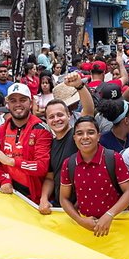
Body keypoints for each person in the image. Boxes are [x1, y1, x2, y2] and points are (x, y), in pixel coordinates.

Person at [59, 116, 129, 237]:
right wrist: (80, 221)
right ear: (74, 138)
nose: (85, 137)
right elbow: (63, 198)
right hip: (86, 229)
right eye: (79, 133)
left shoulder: (113, 158)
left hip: (116, 226)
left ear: (99, 136)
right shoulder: (69, 164)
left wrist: (109, 215)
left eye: (91, 132)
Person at [38, 73, 93, 212]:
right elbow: (50, 178)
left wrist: (79, 86)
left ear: (69, 115)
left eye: (60, 115)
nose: (56, 119)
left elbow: (89, 111)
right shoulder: (50, 143)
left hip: (85, 208)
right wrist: (44, 198)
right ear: (47, 121)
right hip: (60, 209)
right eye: (51, 117)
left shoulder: (78, 135)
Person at [0, 83, 52, 203]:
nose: (18, 104)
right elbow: (0, 164)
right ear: (7, 105)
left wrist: (11, 161)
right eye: (13, 101)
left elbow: (41, 167)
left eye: (23, 100)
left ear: (30, 103)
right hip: (11, 195)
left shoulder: (41, 129)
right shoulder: (1, 130)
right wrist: (4, 180)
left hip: (35, 198)